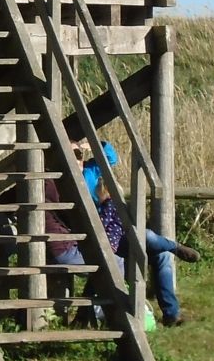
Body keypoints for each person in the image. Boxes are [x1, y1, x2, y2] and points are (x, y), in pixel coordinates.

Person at [68, 135, 197, 327]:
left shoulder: (91, 170)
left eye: (79, 154)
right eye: (71, 154)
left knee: (161, 255)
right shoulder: (68, 179)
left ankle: (171, 314)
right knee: (139, 241)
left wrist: (95, 144)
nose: (77, 158)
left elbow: (111, 157)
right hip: (100, 235)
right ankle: (173, 246)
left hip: (118, 231)